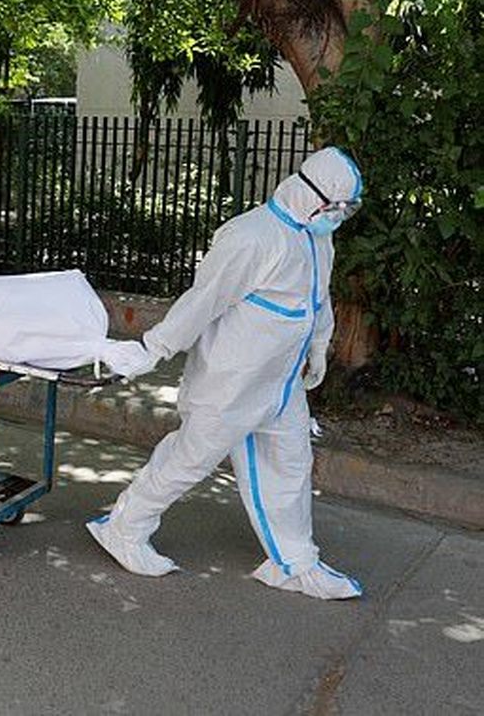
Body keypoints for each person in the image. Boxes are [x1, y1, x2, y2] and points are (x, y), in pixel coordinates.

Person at [87, 147, 365, 600]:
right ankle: (124, 527)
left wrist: (318, 346)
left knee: (291, 464)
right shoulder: (252, 237)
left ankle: (295, 562)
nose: (339, 217)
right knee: (188, 460)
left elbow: (320, 298)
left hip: (280, 385)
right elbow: (204, 300)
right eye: (337, 207)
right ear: (314, 196)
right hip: (230, 384)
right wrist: (154, 348)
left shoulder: (317, 238)